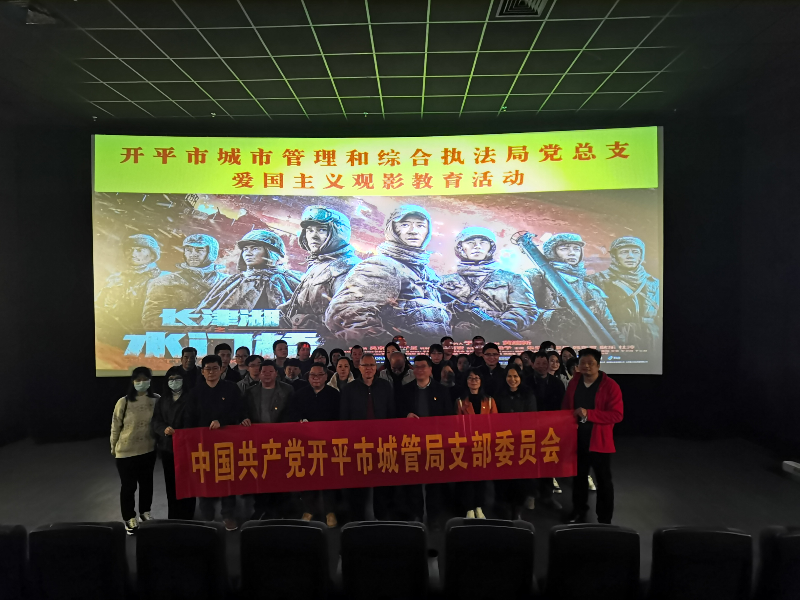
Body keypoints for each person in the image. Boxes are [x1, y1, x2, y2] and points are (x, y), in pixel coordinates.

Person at [325, 204, 452, 344]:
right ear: (393, 229)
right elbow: (346, 314)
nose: (413, 231)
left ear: (428, 231)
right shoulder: (381, 266)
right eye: (405, 225)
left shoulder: (428, 274)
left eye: (420, 225)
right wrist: (388, 347)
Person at [185, 355, 247, 531]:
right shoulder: (195, 392)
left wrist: (223, 421)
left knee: (227, 478)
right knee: (205, 478)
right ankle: (207, 515)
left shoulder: (231, 388)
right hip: (203, 444)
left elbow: (238, 411)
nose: (211, 372)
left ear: (221, 370)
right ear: (202, 371)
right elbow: (189, 418)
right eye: (207, 369)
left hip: (226, 442)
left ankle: (228, 515)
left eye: (215, 368)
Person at [523, 234, 621, 344]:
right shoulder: (536, 276)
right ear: (552, 252)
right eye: (564, 248)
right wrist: (550, 317)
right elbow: (519, 310)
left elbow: (609, 326)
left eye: (576, 249)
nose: (572, 253)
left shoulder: (589, 286)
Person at [441, 226, 538, 338]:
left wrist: (503, 326)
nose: (477, 246)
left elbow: (525, 310)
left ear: (491, 247)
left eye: (483, 242)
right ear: (460, 247)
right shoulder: (442, 281)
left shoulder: (513, 278)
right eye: (470, 242)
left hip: (498, 339)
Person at [280, 206, 361, 337]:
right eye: (309, 230)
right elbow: (300, 302)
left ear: (339, 233)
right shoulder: (318, 264)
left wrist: (312, 322)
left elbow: (350, 317)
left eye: (322, 230)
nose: (313, 236)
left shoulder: (347, 267)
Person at [563, 348, 623, 524]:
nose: (586, 366)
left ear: (598, 365)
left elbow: (617, 415)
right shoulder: (574, 382)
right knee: (578, 478)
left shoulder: (610, 385)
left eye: (590, 363)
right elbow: (566, 407)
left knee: (603, 480)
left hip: (599, 441)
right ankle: (578, 510)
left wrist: (589, 414)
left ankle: (604, 518)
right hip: (577, 439)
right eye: (583, 363)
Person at [397, 356, 453, 526]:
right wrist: (406, 415)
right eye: (416, 367)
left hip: (435, 441)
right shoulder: (405, 390)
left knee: (434, 480)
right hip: (413, 441)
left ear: (430, 369)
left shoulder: (441, 390)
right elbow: (397, 412)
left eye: (423, 367)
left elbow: (448, 416)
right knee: (414, 480)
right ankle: (417, 514)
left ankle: (433, 516)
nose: (419, 370)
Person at [339, 354, 395, 520]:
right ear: (359, 367)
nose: (369, 368)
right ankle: (358, 518)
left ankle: (381, 516)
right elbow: (344, 417)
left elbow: (391, 413)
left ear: (376, 367)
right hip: (358, 442)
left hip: (381, 441)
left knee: (381, 481)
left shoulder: (385, 386)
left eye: (371, 365)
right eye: (365, 365)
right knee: (358, 482)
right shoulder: (349, 389)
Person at [286, 364, 341, 527]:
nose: (315, 378)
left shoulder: (334, 394)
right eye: (312, 375)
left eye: (319, 375)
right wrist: (300, 421)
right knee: (308, 476)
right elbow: (292, 414)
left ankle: (330, 511)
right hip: (306, 443)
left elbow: (340, 418)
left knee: (329, 477)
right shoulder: (300, 394)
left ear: (326, 377)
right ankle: (309, 509)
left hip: (328, 443)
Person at [588, 237, 660, 354]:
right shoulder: (597, 280)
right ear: (615, 256)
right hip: (615, 336)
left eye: (635, 252)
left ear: (641, 256)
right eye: (624, 252)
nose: (630, 256)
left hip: (651, 338)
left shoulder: (654, 283)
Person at [198, 229, 301, 311]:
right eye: (245, 249)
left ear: (270, 252)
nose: (248, 253)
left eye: (255, 248)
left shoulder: (290, 280)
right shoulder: (232, 281)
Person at [244, 360, 295, 520]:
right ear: (259, 374)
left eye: (270, 371)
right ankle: (260, 508)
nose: (266, 374)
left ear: (276, 373)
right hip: (258, 440)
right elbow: (244, 412)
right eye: (263, 371)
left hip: (280, 439)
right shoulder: (250, 392)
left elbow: (291, 412)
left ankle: (280, 510)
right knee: (260, 474)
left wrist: (278, 430)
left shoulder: (287, 390)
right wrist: (244, 419)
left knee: (280, 474)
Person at [141, 234, 227, 329]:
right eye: (188, 250)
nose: (193, 254)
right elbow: (152, 320)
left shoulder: (228, 282)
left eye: (199, 250)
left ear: (211, 252)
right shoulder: (164, 282)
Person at [110, 366, 158, 534]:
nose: (141, 382)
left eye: (145, 379)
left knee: (147, 484)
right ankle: (129, 517)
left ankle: (145, 512)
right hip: (126, 452)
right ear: (132, 382)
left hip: (148, 450)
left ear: (150, 381)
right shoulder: (123, 402)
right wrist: (113, 447)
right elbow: (115, 426)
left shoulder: (156, 400)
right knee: (128, 486)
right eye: (138, 379)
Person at [96, 234, 164, 341]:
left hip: (149, 337)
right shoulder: (115, 278)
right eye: (129, 250)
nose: (133, 254)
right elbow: (98, 306)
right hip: (113, 336)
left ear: (152, 255)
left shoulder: (165, 279)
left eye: (139, 250)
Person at [151, 366, 196, 520]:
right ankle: (174, 515)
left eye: (177, 378)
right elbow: (156, 420)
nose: (174, 382)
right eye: (171, 379)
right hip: (168, 448)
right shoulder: (162, 400)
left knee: (188, 482)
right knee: (171, 483)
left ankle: (188, 515)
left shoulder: (192, 398)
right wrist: (164, 429)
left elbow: (197, 420)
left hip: (188, 448)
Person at [494, 365, 537, 517]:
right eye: (509, 376)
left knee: (520, 477)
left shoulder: (528, 394)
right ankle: (503, 504)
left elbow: (532, 417)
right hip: (504, 440)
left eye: (515, 376)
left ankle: (518, 507)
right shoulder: (499, 394)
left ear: (520, 377)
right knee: (504, 474)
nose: (512, 380)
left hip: (521, 440)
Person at [455, 368, 496, 519]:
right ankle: (469, 508)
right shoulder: (460, 401)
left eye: (477, 378)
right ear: (466, 381)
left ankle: (479, 506)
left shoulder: (489, 401)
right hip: (467, 445)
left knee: (481, 478)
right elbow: (457, 425)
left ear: (481, 381)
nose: (473, 381)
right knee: (467, 478)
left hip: (484, 445)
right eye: (470, 378)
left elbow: (496, 423)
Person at [530, 352, 565, 508]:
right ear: (532, 364)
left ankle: (547, 496)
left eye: (545, 363)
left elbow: (562, 406)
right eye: (538, 363)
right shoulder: (525, 381)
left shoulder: (557, 383)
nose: (542, 366)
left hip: (551, 429)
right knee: (530, 462)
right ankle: (531, 495)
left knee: (548, 462)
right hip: (530, 429)